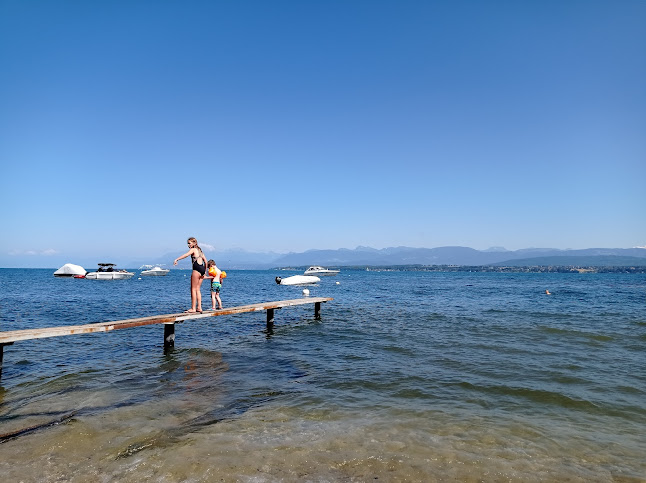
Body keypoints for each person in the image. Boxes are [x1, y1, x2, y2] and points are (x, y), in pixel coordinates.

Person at [173, 237, 207, 313]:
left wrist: (177, 259)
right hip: (202, 269)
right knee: (198, 289)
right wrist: (205, 271)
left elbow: (186, 255)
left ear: (194, 243)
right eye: (188, 243)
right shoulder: (200, 251)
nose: (188, 245)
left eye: (189, 243)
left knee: (193, 289)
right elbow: (206, 261)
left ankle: (193, 308)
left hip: (196, 270)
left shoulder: (193, 249)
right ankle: (199, 307)